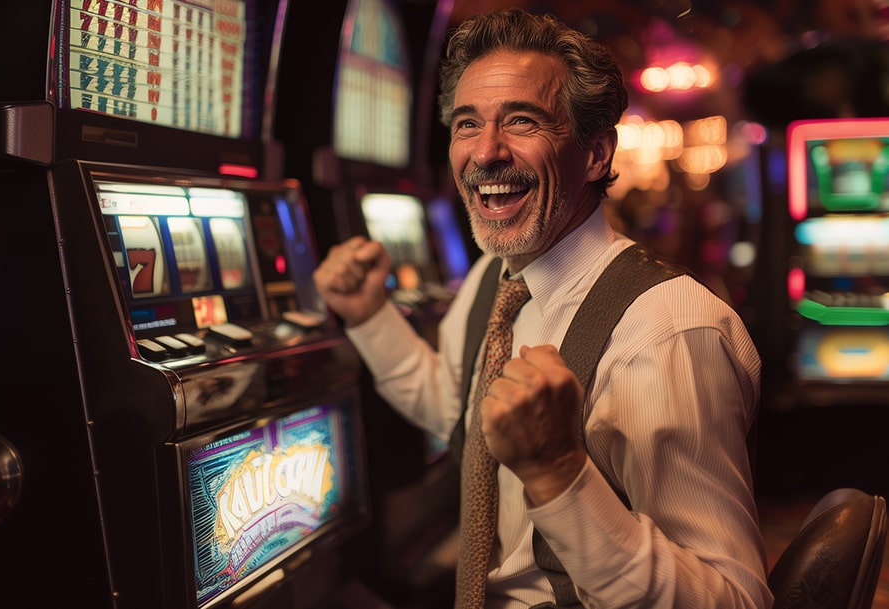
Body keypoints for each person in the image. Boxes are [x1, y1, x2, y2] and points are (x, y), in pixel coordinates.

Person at [313, 8, 772, 609]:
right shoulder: (494, 280)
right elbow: (460, 411)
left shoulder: (666, 330)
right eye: (467, 125)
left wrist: (561, 474)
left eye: (522, 122)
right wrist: (369, 316)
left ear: (595, 155)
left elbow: (735, 600)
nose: (486, 153)